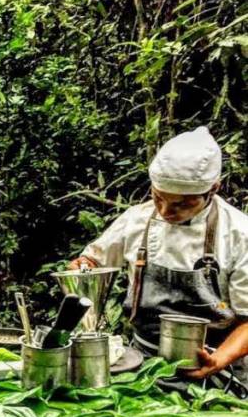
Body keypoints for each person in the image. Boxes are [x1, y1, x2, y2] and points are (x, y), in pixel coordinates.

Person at [68, 127, 248, 389]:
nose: (165, 211)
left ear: (213, 189)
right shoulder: (137, 219)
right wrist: (83, 273)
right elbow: (91, 262)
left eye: (182, 204)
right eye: (158, 198)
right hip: (140, 362)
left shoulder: (238, 234)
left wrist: (219, 359)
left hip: (214, 369)